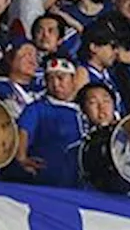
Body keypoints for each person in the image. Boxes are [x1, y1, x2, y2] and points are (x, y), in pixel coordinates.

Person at [15, 57, 87, 187]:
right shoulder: (38, 108)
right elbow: (24, 129)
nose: (55, 84)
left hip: (82, 183)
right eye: (50, 79)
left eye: (60, 78)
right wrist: (21, 157)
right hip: (49, 183)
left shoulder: (85, 108)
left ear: (73, 79)